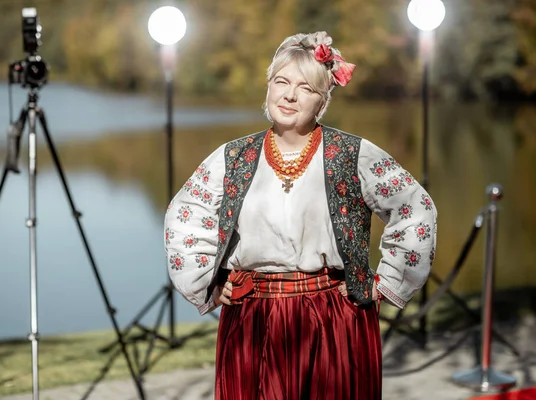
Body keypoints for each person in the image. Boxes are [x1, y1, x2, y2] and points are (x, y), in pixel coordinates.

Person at [164, 31, 437, 400]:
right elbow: (186, 214)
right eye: (281, 82)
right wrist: (208, 280)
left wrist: (387, 282)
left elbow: (414, 208)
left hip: (333, 316)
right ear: (269, 88)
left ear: (322, 101)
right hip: (252, 316)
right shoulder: (233, 157)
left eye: (306, 88)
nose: (290, 95)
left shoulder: (353, 154)